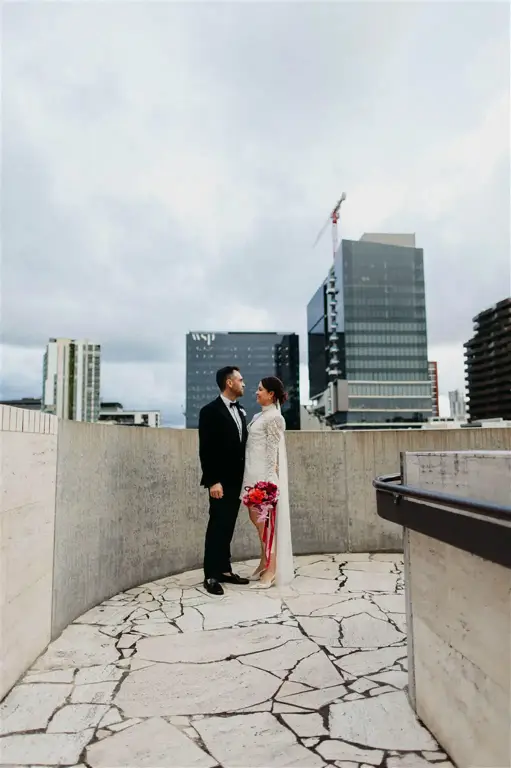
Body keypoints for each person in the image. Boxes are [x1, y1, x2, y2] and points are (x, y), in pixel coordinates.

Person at [199, 366, 250, 596]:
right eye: (240, 380)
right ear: (229, 383)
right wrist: (213, 482)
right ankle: (210, 574)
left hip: (238, 481)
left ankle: (224, 569)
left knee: (228, 526)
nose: (243, 383)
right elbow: (206, 450)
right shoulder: (209, 411)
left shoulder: (240, 411)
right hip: (220, 482)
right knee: (216, 526)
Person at [242, 376, 294, 589]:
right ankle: (264, 562)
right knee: (257, 523)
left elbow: (273, 454)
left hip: (263, 480)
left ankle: (271, 570)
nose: (256, 392)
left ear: (271, 394)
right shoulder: (259, 416)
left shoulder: (274, 418)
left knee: (265, 526)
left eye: (260, 389)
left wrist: (269, 484)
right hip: (251, 476)